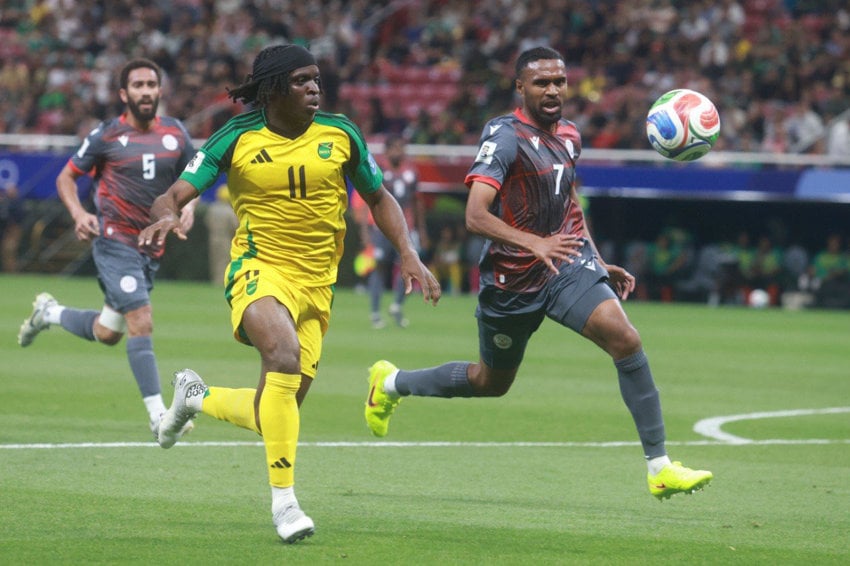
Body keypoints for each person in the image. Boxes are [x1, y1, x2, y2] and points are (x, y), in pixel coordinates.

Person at [364, 46, 712, 501]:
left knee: (624, 337)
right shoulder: (504, 136)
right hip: (511, 281)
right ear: (520, 87)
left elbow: (567, 200)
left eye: (559, 82)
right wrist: (534, 243)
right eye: (541, 82)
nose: (552, 90)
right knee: (492, 383)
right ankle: (390, 383)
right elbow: (475, 215)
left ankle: (659, 467)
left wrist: (594, 256)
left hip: (565, 266)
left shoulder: (570, 135)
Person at [137, 44, 440, 543]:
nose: (314, 88)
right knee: (282, 355)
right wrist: (168, 215)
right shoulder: (235, 137)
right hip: (259, 270)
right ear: (275, 87)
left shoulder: (341, 134)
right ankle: (285, 504)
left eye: (317, 79)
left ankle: (195, 396)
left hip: (318, 286)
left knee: (274, 410)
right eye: (302, 80)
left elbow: (379, 197)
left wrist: (407, 252)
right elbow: (173, 194)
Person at [17, 58, 197, 438]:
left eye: (151, 84)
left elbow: (192, 179)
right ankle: (158, 417)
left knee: (107, 332)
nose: (146, 91)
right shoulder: (106, 136)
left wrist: (189, 207)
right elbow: (67, 176)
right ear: (123, 93)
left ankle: (49, 313)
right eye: (138, 85)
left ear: (160, 91)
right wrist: (79, 213)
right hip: (115, 243)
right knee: (141, 319)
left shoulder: (176, 134)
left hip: (151, 249)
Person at [353, 134, 428, 328]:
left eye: (400, 148)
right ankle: (375, 313)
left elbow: (417, 203)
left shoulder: (411, 172)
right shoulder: (378, 170)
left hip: (406, 230)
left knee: (410, 267)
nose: (398, 152)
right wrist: (364, 230)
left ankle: (396, 305)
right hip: (381, 229)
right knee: (379, 269)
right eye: (394, 148)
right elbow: (365, 201)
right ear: (387, 151)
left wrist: (422, 230)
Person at [0, 182, 25, 272]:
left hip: (14, 231)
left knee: (10, 251)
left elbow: (17, 221)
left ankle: (13, 272)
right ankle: (7, 271)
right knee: (5, 252)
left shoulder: (17, 204)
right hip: (6, 231)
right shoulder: (7, 203)